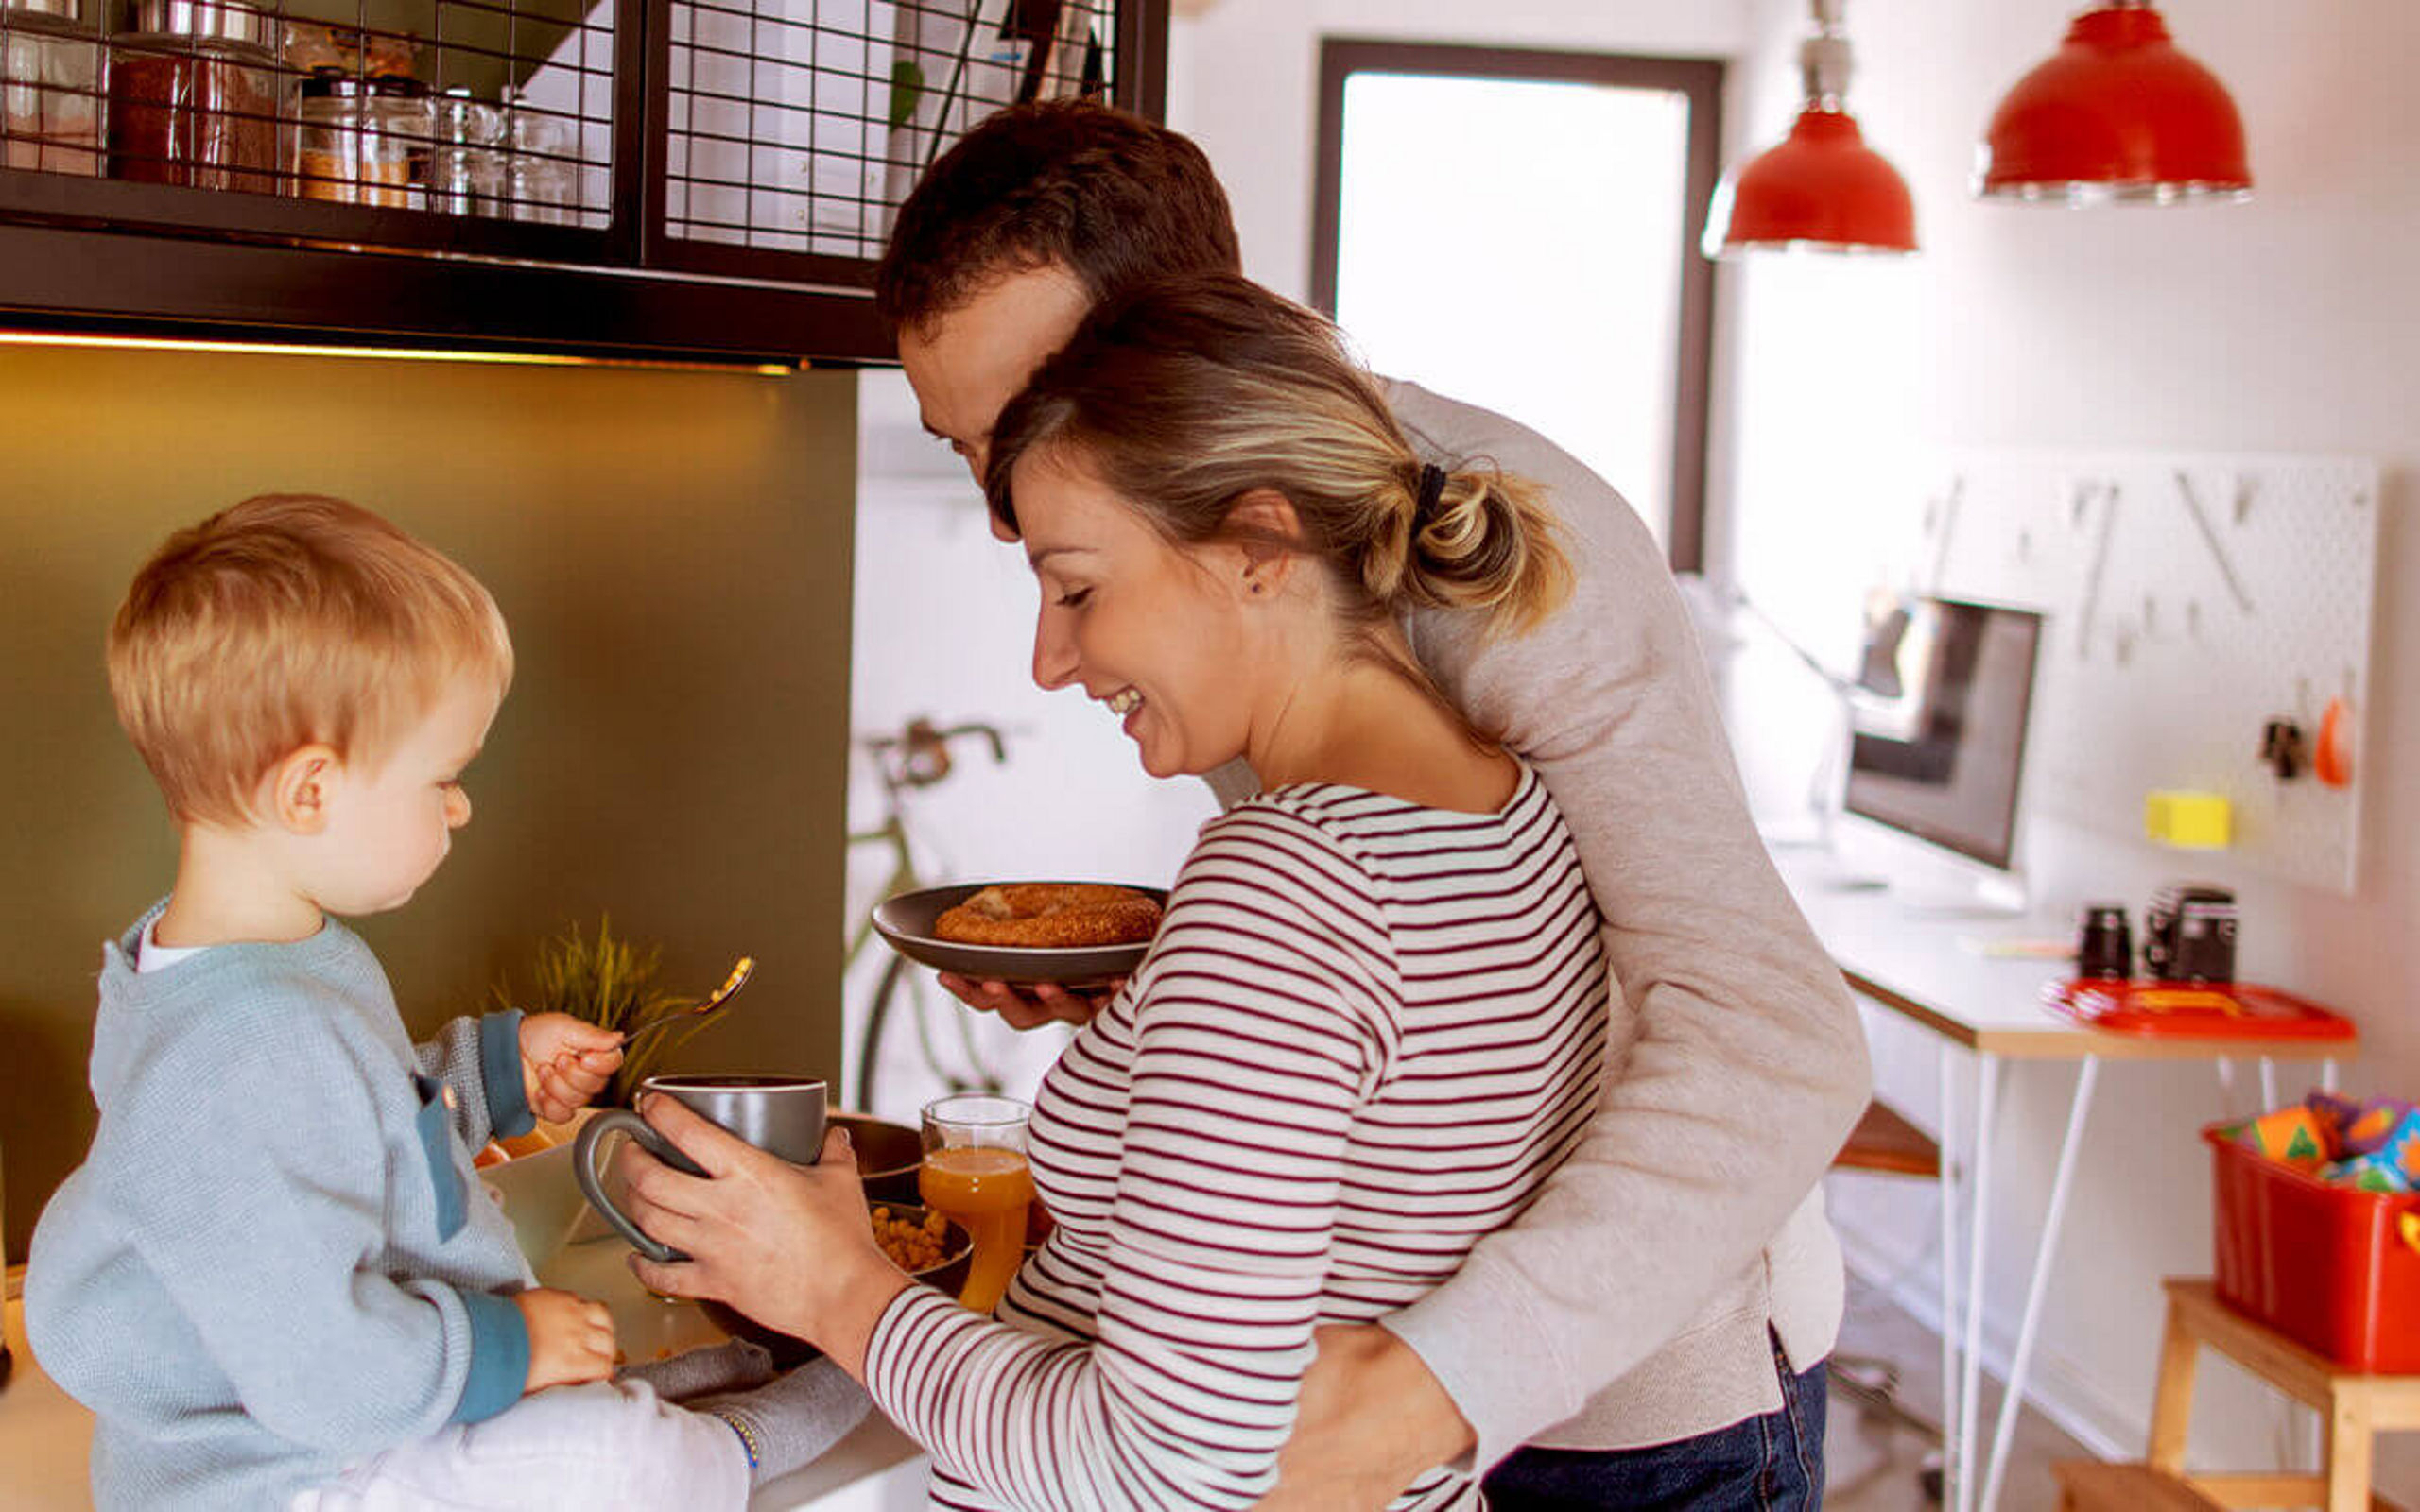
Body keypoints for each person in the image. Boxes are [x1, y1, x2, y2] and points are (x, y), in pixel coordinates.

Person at [872, 102, 1870, 1509]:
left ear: (1184, 343)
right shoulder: (1216, 566)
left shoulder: (1516, 560)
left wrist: (1438, 1385)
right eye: (965, 447)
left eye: (1028, 412)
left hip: (1628, 1409)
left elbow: (1778, 1038)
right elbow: (1425, 959)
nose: (1003, 506)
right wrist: (1175, 1007)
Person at [616, 272, 1617, 1510]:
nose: (1049, 660)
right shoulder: (1507, 809)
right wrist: (1161, 1022)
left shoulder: (1282, 887)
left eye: (1078, 587)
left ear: (1259, 544)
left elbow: (1166, 1470)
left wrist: (827, 1283)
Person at [25, 494, 867, 1511]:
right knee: (622, 1462)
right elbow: (313, 1365)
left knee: (579, 1391)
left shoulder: (237, 967)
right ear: (310, 792)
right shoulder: (240, 1051)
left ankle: (644, 1397)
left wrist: (493, 1071)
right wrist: (508, 1344)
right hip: (289, 1471)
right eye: (443, 776)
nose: (461, 805)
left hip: (347, 1407)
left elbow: (349, 1122)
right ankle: (731, 1446)